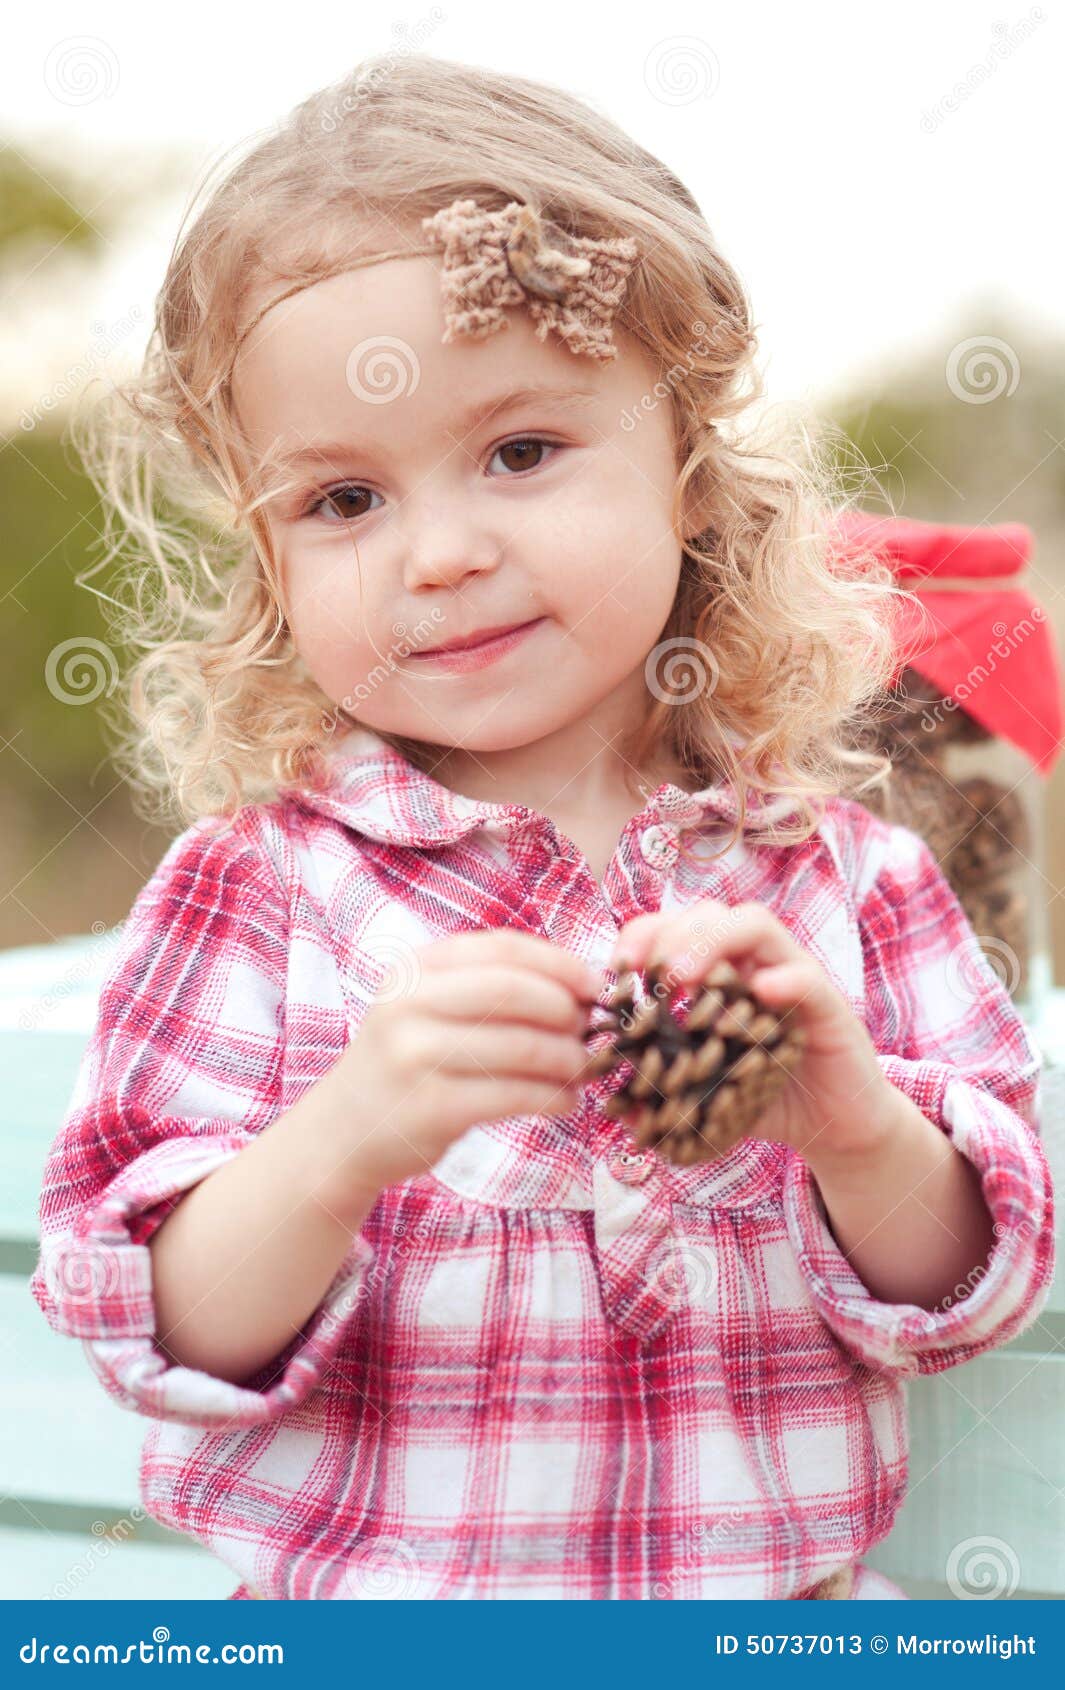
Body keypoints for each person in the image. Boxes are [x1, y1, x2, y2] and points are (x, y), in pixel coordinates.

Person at [30, 53, 1053, 1602]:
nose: (438, 553)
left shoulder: (839, 874)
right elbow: (155, 1326)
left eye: (519, 452)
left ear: (692, 473)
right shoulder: (259, 893)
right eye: (341, 500)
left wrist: (850, 1119)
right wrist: (341, 1140)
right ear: (263, 551)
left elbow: (968, 1286)